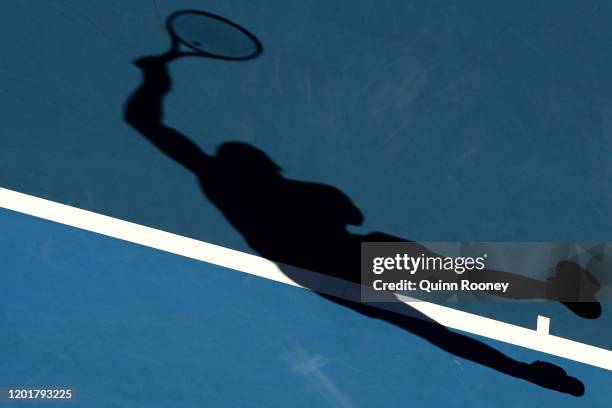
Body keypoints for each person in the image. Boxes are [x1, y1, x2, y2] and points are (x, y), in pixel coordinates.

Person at [124, 53, 594, 396]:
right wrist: (153, 81)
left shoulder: (237, 182)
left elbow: (144, 121)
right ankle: (540, 332)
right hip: (339, 262)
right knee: (451, 299)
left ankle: (532, 358)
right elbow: (350, 213)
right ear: (255, 162)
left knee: (444, 312)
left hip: (337, 263)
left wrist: (153, 79)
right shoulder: (245, 181)